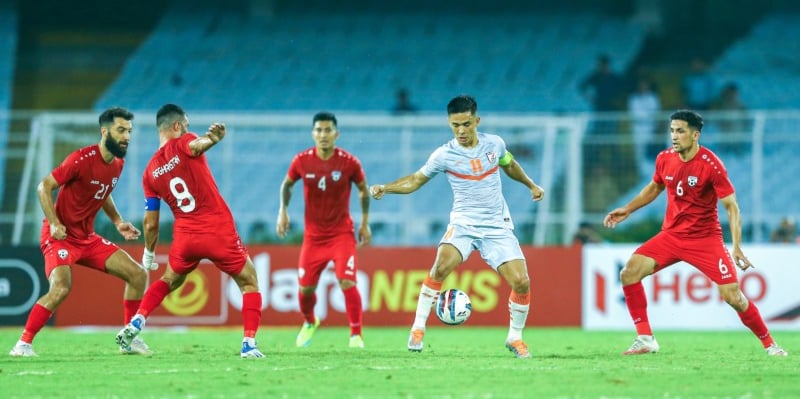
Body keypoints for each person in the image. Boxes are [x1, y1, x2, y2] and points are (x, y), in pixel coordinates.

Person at [370, 95, 545, 358]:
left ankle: (515, 338)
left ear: (476, 120)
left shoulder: (494, 144)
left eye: (466, 124)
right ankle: (417, 329)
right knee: (440, 266)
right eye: (455, 125)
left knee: (521, 281)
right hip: (463, 223)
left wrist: (531, 184)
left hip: (496, 226)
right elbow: (416, 180)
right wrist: (387, 188)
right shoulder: (444, 155)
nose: (461, 131)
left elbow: (509, 164)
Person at [604, 110, 788, 356]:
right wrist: (627, 209)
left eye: (680, 131)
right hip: (671, 236)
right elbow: (655, 187)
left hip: (705, 240)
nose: (674, 136)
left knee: (733, 297)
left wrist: (736, 246)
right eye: (671, 131)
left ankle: (770, 345)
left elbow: (732, 208)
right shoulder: (664, 158)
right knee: (629, 272)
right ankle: (646, 338)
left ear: (695, 134)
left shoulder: (711, 165)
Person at [115, 104, 265, 358]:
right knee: (249, 281)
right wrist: (212, 140)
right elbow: (196, 146)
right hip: (217, 230)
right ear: (176, 126)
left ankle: (138, 320)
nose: (188, 127)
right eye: (186, 123)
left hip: (186, 237)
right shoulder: (185, 141)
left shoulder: (149, 172)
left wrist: (149, 254)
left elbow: (150, 222)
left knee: (169, 279)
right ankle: (249, 344)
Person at [10, 107, 152, 357]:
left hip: (87, 239)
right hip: (60, 237)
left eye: (129, 131)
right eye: (121, 130)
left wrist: (118, 221)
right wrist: (53, 222)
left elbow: (103, 191)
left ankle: (128, 338)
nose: (127, 137)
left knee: (138, 274)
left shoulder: (118, 163)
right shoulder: (80, 159)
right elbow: (44, 186)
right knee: (61, 287)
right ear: (104, 131)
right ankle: (23, 344)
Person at [276, 111, 371, 348]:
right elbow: (287, 184)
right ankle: (310, 321)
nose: (323, 134)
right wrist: (283, 210)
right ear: (313, 133)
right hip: (313, 237)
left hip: (341, 234)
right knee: (305, 289)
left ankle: (356, 335)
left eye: (328, 130)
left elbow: (362, 189)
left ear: (336, 134)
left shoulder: (349, 162)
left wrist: (365, 222)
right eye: (319, 130)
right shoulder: (301, 161)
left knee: (346, 281)